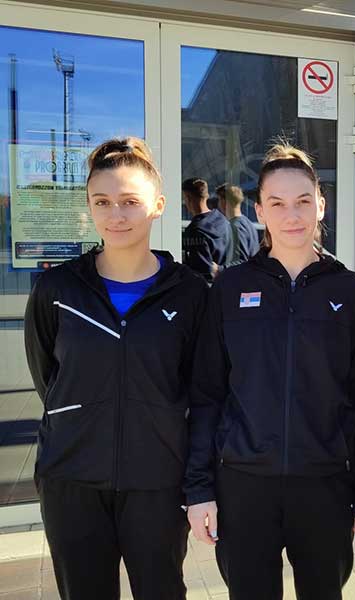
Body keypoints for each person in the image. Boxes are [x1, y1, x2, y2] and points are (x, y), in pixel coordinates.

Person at [184, 143, 355, 600]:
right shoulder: (230, 289)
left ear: (321, 205)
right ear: (259, 211)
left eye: (303, 201)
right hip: (243, 486)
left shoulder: (350, 291)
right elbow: (207, 394)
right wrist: (199, 489)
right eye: (277, 203)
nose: (292, 215)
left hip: (325, 484)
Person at [24, 137, 208, 600]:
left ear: (158, 206)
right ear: (88, 207)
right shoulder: (57, 289)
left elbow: (203, 393)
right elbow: (49, 378)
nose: (116, 214)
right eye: (102, 202)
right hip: (72, 480)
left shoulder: (190, 293)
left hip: (158, 482)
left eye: (129, 201)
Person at [181, 177, 232, 282]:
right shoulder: (223, 220)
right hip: (227, 284)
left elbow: (202, 273)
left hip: (207, 289)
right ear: (206, 195)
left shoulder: (195, 230)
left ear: (188, 198)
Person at [216, 183, 260, 263]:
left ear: (224, 201)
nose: (218, 204)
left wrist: (217, 268)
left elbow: (240, 262)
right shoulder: (248, 223)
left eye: (219, 200)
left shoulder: (235, 227)